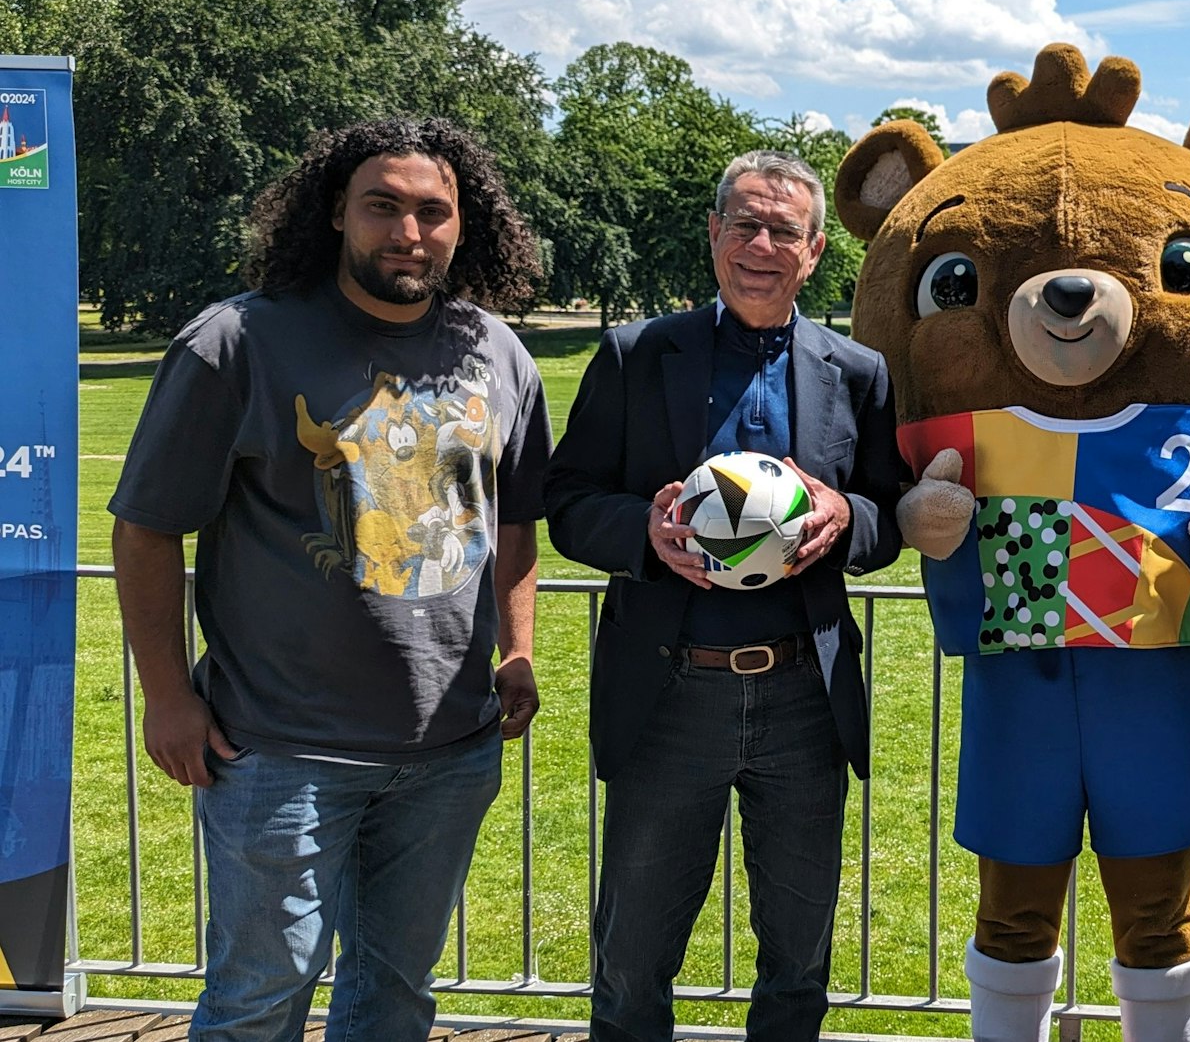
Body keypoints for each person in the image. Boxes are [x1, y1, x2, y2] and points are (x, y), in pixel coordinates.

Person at [109, 117, 551, 1041]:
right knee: (258, 1001)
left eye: (433, 211)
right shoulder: (237, 342)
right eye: (382, 206)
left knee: (395, 997)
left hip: (450, 749)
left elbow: (513, 520)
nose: (409, 232)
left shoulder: (499, 353)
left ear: (464, 224)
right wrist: (167, 696)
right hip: (279, 748)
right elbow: (147, 527)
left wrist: (517, 649)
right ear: (336, 213)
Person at [544, 149, 902, 1042]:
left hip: (804, 697)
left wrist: (843, 514)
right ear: (714, 233)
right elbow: (569, 501)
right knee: (631, 962)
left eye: (784, 229)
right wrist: (644, 531)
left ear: (815, 250)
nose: (761, 245)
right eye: (744, 223)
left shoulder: (859, 371)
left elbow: (889, 513)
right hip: (670, 693)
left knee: (798, 965)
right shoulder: (636, 354)